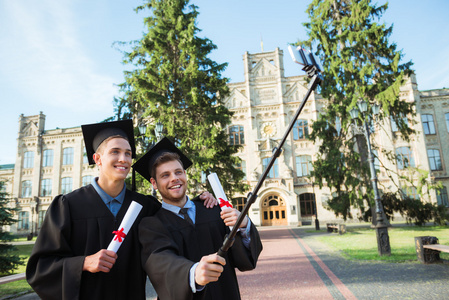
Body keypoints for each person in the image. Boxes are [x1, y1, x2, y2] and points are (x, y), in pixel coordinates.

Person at [26, 120, 216, 300]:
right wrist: (84, 263)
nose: (123, 159)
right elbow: (40, 269)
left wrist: (200, 202)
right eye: (115, 152)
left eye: (128, 153)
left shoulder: (146, 206)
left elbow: (176, 214)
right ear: (97, 158)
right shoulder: (68, 206)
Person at [134, 137, 263, 300]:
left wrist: (244, 225)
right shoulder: (151, 225)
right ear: (154, 183)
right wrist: (193, 272)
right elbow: (160, 263)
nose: (174, 178)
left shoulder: (214, 210)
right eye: (165, 175)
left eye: (178, 172)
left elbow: (245, 260)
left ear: (185, 174)